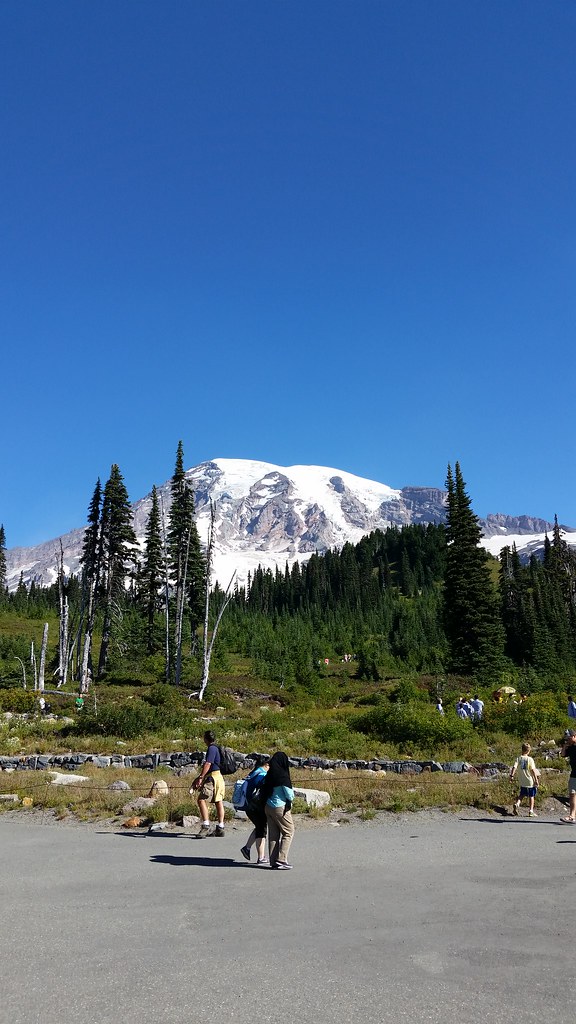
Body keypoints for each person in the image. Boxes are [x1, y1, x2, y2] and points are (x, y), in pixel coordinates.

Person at [262, 751, 295, 870]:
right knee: (289, 831)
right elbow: (290, 795)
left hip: (268, 806)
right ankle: (281, 859)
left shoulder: (269, 775)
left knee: (273, 835)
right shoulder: (282, 776)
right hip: (280, 807)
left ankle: (273, 861)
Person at [190, 731, 226, 837]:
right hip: (219, 777)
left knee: (201, 799)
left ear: (206, 739)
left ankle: (205, 825)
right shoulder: (217, 748)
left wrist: (201, 777)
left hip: (212, 778)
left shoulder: (211, 748)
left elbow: (208, 763)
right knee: (218, 801)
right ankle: (221, 827)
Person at [239, 756, 270, 865]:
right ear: (266, 765)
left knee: (259, 827)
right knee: (261, 829)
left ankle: (247, 848)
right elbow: (264, 786)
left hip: (248, 805)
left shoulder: (253, 773)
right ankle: (261, 857)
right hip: (255, 806)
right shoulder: (262, 774)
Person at [509, 742, 540, 817]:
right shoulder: (530, 759)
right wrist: (536, 780)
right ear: (528, 751)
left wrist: (511, 776)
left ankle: (517, 803)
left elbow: (514, 767)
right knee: (531, 796)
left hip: (522, 781)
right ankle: (531, 811)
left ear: (522, 750)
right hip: (530, 781)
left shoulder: (518, 758)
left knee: (522, 794)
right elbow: (533, 770)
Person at [560, 729, 576, 823]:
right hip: (574, 774)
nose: (567, 740)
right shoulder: (570, 747)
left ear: (574, 736)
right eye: (566, 738)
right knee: (572, 794)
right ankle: (572, 816)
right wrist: (565, 747)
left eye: (569, 738)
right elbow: (563, 755)